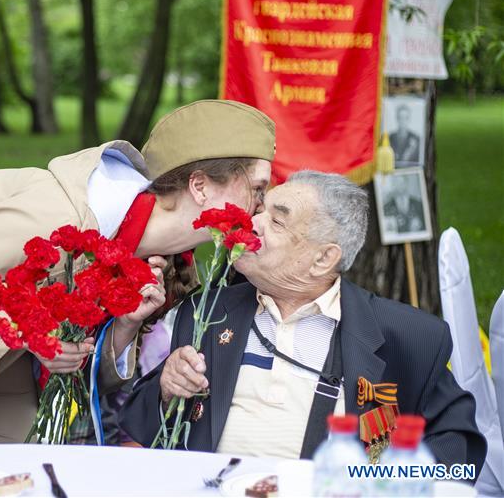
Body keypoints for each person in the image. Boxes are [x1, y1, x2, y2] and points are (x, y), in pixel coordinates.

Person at [0, 99, 275, 443]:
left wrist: (124, 327)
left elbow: (87, 376)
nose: (262, 208)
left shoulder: (162, 262)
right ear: (199, 186)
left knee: (21, 460)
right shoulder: (62, 211)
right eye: (257, 190)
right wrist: (37, 340)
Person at [121, 171, 486, 474]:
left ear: (323, 259)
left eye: (277, 220)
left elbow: (460, 450)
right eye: (260, 210)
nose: (252, 222)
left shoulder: (406, 337)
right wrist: (166, 389)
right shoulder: (207, 313)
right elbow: (143, 426)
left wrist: (386, 484)